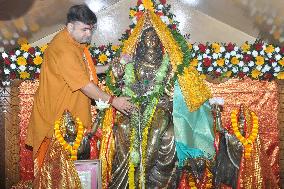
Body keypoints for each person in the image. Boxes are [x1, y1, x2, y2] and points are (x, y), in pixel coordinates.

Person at [25, 3, 134, 181]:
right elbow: (85, 84)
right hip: (58, 122)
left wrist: (115, 64)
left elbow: (86, 70)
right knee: (58, 176)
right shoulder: (64, 49)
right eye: (85, 29)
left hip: (68, 118)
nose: (89, 34)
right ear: (70, 26)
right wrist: (114, 101)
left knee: (70, 175)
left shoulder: (73, 43)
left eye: (91, 29)